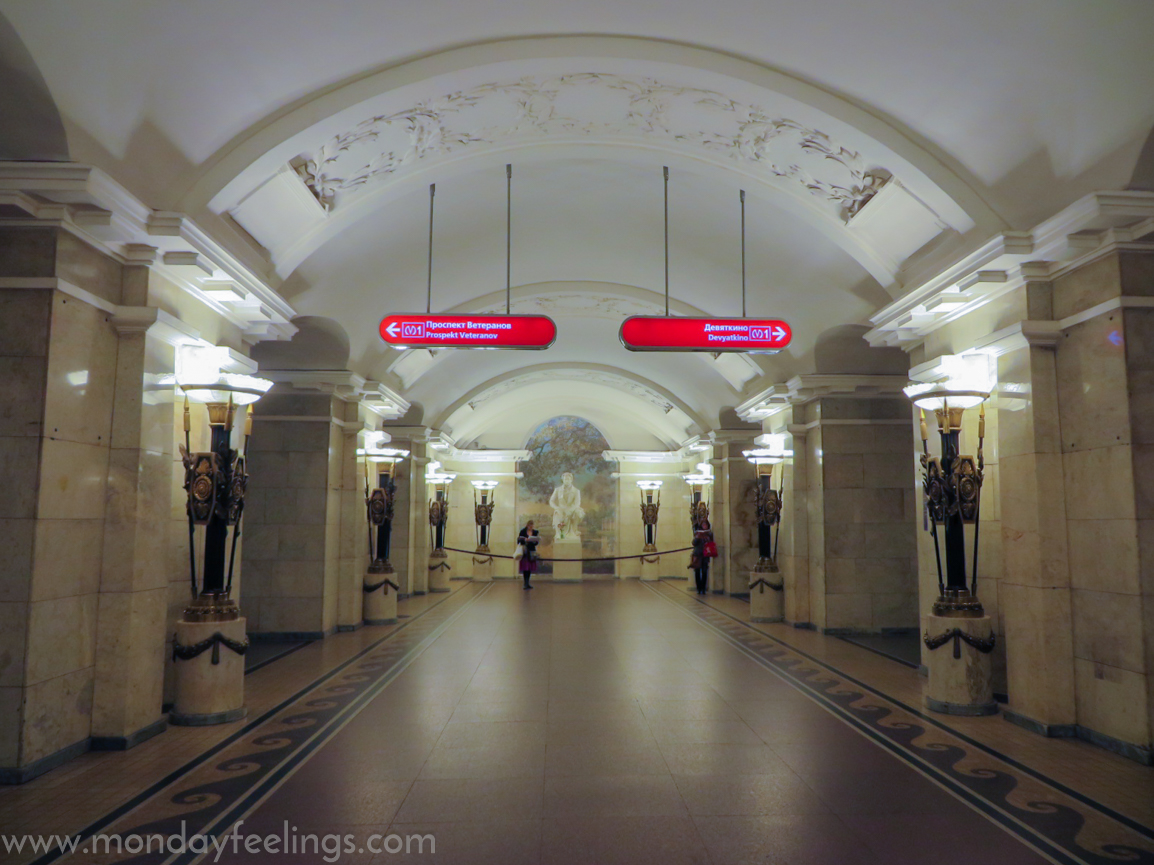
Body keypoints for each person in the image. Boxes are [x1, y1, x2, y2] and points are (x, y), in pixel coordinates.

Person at [548, 471, 585, 537]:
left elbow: (577, 503)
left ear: (571, 480)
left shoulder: (576, 491)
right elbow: (551, 501)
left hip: (572, 509)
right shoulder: (557, 490)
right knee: (558, 515)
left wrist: (570, 510)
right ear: (563, 480)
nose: (567, 481)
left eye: (568, 479)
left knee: (578, 512)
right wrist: (557, 508)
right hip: (561, 509)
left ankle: (574, 530)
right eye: (565, 479)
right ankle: (560, 533)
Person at [691, 518, 714, 595]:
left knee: (704, 571)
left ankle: (703, 588)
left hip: (705, 554)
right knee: (697, 571)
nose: (704, 526)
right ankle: (699, 588)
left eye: (706, 525)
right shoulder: (698, 533)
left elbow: (712, 543)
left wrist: (707, 539)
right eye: (703, 525)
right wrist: (698, 538)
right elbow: (694, 543)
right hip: (697, 554)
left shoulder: (709, 534)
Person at [518, 520, 540, 589]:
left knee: (529, 568)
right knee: (525, 568)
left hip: (531, 551)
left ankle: (528, 583)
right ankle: (525, 583)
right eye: (530, 526)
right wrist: (525, 540)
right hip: (525, 551)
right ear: (527, 525)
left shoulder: (535, 532)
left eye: (532, 526)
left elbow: (536, 542)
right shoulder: (523, 531)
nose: (531, 527)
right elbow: (519, 540)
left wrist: (534, 541)